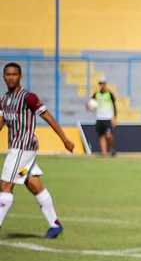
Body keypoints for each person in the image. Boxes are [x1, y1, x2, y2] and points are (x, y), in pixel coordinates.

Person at [0, 63, 75, 238]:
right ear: (3, 77)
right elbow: (1, 124)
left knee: (5, 185)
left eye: (14, 74)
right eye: (8, 74)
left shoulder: (29, 98)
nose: (11, 77)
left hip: (22, 147)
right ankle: (55, 225)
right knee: (33, 184)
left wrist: (65, 139)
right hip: (18, 147)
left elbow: (48, 117)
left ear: (21, 77)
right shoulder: (4, 99)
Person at [88, 76, 117, 157]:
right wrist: (89, 107)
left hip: (107, 118)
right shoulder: (96, 94)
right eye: (100, 83)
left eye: (103, 83)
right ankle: (104, 154)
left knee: (109, 135)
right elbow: (90, 104)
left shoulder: (109, 94)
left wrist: (114, 118)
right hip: (99, 118)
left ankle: (111, 148)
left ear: (105, 84)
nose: (102, 85)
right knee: (101, 136)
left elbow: (114, 106)